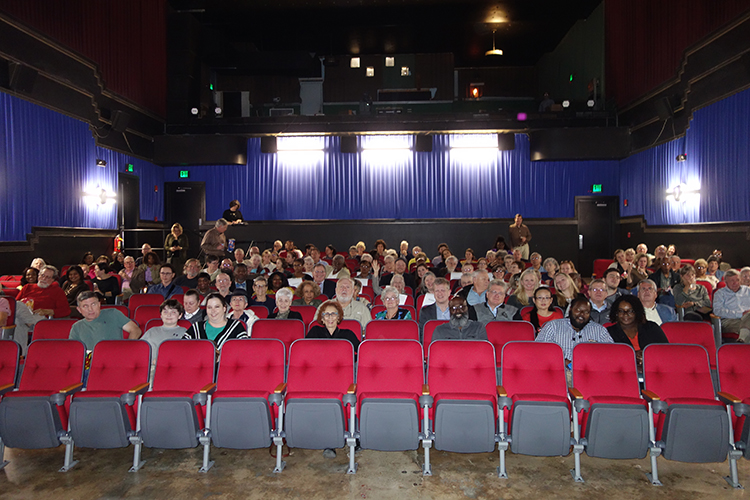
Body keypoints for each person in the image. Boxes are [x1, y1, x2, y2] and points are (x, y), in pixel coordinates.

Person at [535, 295, 613, 364]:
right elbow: (538, 351)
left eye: (586, 312)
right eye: (578, 310)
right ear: (570, 310)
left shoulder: (599, 331)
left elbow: (611, 354)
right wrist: (561, 360)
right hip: (560, 373)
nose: (582, 314)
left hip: (589, 374)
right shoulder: (553, 327)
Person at [607, 295, 668, 368]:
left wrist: (646, 355)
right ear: (616, 313)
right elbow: (609, 358)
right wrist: (632, 355)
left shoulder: (651, 328)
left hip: (653, 368)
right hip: (624, 371)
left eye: (630, 311)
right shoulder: (609, 332)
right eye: (621, 311)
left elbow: (665, 351)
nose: (625, 314)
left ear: (637, 312)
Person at [69, 291, 141, 349]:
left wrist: (126, 349)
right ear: (79, 310)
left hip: (114, 358)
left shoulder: (113, 314)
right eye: (85, 306)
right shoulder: (76, 327)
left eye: (93, 304)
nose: (90, 309)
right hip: (90, 363)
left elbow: (136, 330)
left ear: (99, 304)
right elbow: (73, 350)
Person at [713, 269, 750, 342]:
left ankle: (742, 340)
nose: (735, 283)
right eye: (732, 281)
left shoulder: (748, 291)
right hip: (729, 320)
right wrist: (740, 314)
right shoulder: (720, 294)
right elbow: (718, 311)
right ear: (726, 282)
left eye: (737, 280)